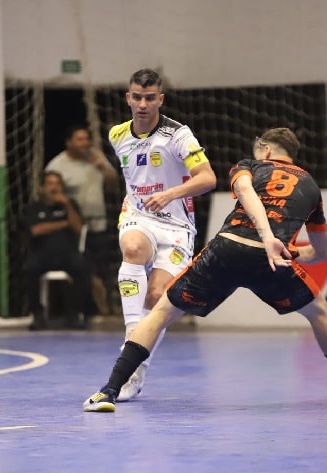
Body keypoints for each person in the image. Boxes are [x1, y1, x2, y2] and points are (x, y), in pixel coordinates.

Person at [84, 127, 327, 412]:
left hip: (227, 249)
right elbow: (324, 252)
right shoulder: (311, 187)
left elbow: (243, 189)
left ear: (266, 150)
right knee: (319, 312)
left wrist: (266, 235)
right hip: (271, 261)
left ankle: (109, 391)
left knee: (160, 312)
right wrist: (287, 249)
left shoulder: (249, 166)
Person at [107, 68, 217, 401]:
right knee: (132, 248)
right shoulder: (117, 135)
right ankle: (131, 341)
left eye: (150, 98)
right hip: (138, 215)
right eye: (137, 97)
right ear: (128, 98)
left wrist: (170, 194)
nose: (143, 104)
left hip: (176, 227)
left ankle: (135, 371)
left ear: (160, 99)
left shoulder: (179, 135)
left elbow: (208, 178)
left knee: (156, 299)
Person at [46, 124, 119, 315]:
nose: (84, 143)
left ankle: (107, 308)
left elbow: (114, 184)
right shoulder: (57, 165)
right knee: (84, 269)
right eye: (79, 139)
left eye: (86, 139)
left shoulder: (96, 157)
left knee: (103, 268)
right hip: (74, 227)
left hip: (99, 223)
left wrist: (102, 167)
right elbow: (49, 195)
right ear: (69, 143)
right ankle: (84, 310)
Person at [22, 170, 93, 330]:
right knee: (29, 269)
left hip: (67, 254)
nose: (54, 188)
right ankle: (37, 315)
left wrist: (67, 205)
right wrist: (63, 224)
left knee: (82, 266)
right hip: (42, 255)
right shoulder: (35, 207)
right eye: (50, 184)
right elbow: (36, 230)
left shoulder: (70, 205)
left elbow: (78, 227)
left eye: (57, 184)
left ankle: (75, 314)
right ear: (42, 187)